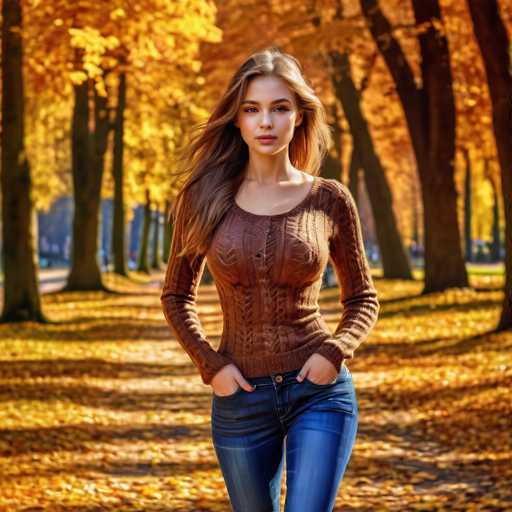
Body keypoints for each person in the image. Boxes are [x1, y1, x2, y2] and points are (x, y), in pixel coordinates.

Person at [160, 46, 380, 512]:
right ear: (236, 120)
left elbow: (362, 298)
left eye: (280, 109)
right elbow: (177, 294)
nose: (266, 122)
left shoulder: (329, 199)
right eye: (252, 110)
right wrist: (211, 365)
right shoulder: (203, 199)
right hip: (240, 398)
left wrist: (335, 351)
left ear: (299, 115)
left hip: (318, 392)